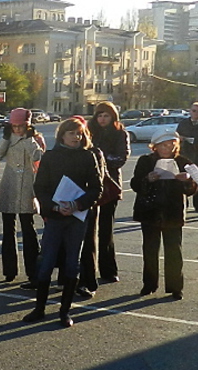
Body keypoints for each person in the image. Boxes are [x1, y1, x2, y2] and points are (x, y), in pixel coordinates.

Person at [23, 118, 102, 327]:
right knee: (47, 262)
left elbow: (96, 188)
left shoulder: (88, 157)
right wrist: (55, 207)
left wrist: (77, 204)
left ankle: (64, 312)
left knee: (71, 264)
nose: (76, 137)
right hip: (56, 217)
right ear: (62, 135)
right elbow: (40, 187)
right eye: (72, 133)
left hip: (77, 217)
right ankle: (39, 308)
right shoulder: (50, 157)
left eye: (79, 133)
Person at [130, 130, 197, 300]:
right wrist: (148, 179)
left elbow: (194, 188)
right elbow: (135, 184)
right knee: (150, 249)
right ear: (155, 147)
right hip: (150, 211)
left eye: (171, 144)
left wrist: (188, 180)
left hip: (173, 211)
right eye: (163, 145)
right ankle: (149, 284)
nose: (167, 148)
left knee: (174, 250)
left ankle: (175, 287)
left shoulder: (183, 162)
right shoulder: (145, 161)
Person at [0, 108, 44, 288]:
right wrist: (6, 137)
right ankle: (9, 271)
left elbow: (38, 157)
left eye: (21, 126)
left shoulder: (35, 139)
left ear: (28, 125)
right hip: (10, 185)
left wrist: (30, 139)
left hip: (27, 187)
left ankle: (33, 272)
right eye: (14, 126)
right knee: (8, 231)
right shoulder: (9, 138)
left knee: (29, 231)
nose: (17, 130)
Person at [83, 101, 130, 284]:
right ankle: (87, 269)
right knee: (88, 230)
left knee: (106, 229)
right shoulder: (89, 131)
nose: (102, 119)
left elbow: (121, 158)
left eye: (106, 116)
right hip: (89, 185)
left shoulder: (120, 133)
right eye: (99, 115)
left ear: (113, 117)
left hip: (110, 185)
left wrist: (100, 158)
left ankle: (108, 269)